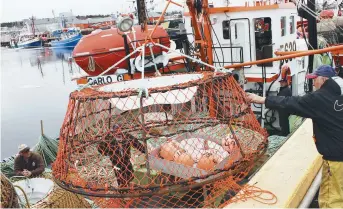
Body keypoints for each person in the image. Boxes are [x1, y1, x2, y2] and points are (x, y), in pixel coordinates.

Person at [246, 65, 343, 208]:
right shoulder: (338, 94)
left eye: (314, 79)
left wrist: (261, 99)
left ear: (323, 79)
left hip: (336, 160)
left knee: (331, 200)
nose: (313, 83)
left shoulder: (319, 99)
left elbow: (291, 103)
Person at [277, 65, 292, 136]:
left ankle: (285, 133)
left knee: (284, 120)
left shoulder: (285, 90)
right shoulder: (287, 89)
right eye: (281, 82)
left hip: (284, 108)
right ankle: (285, 132)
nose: (281, 83)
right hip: (285, 108)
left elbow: (280, 99)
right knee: (283, 120)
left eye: (282, 82)